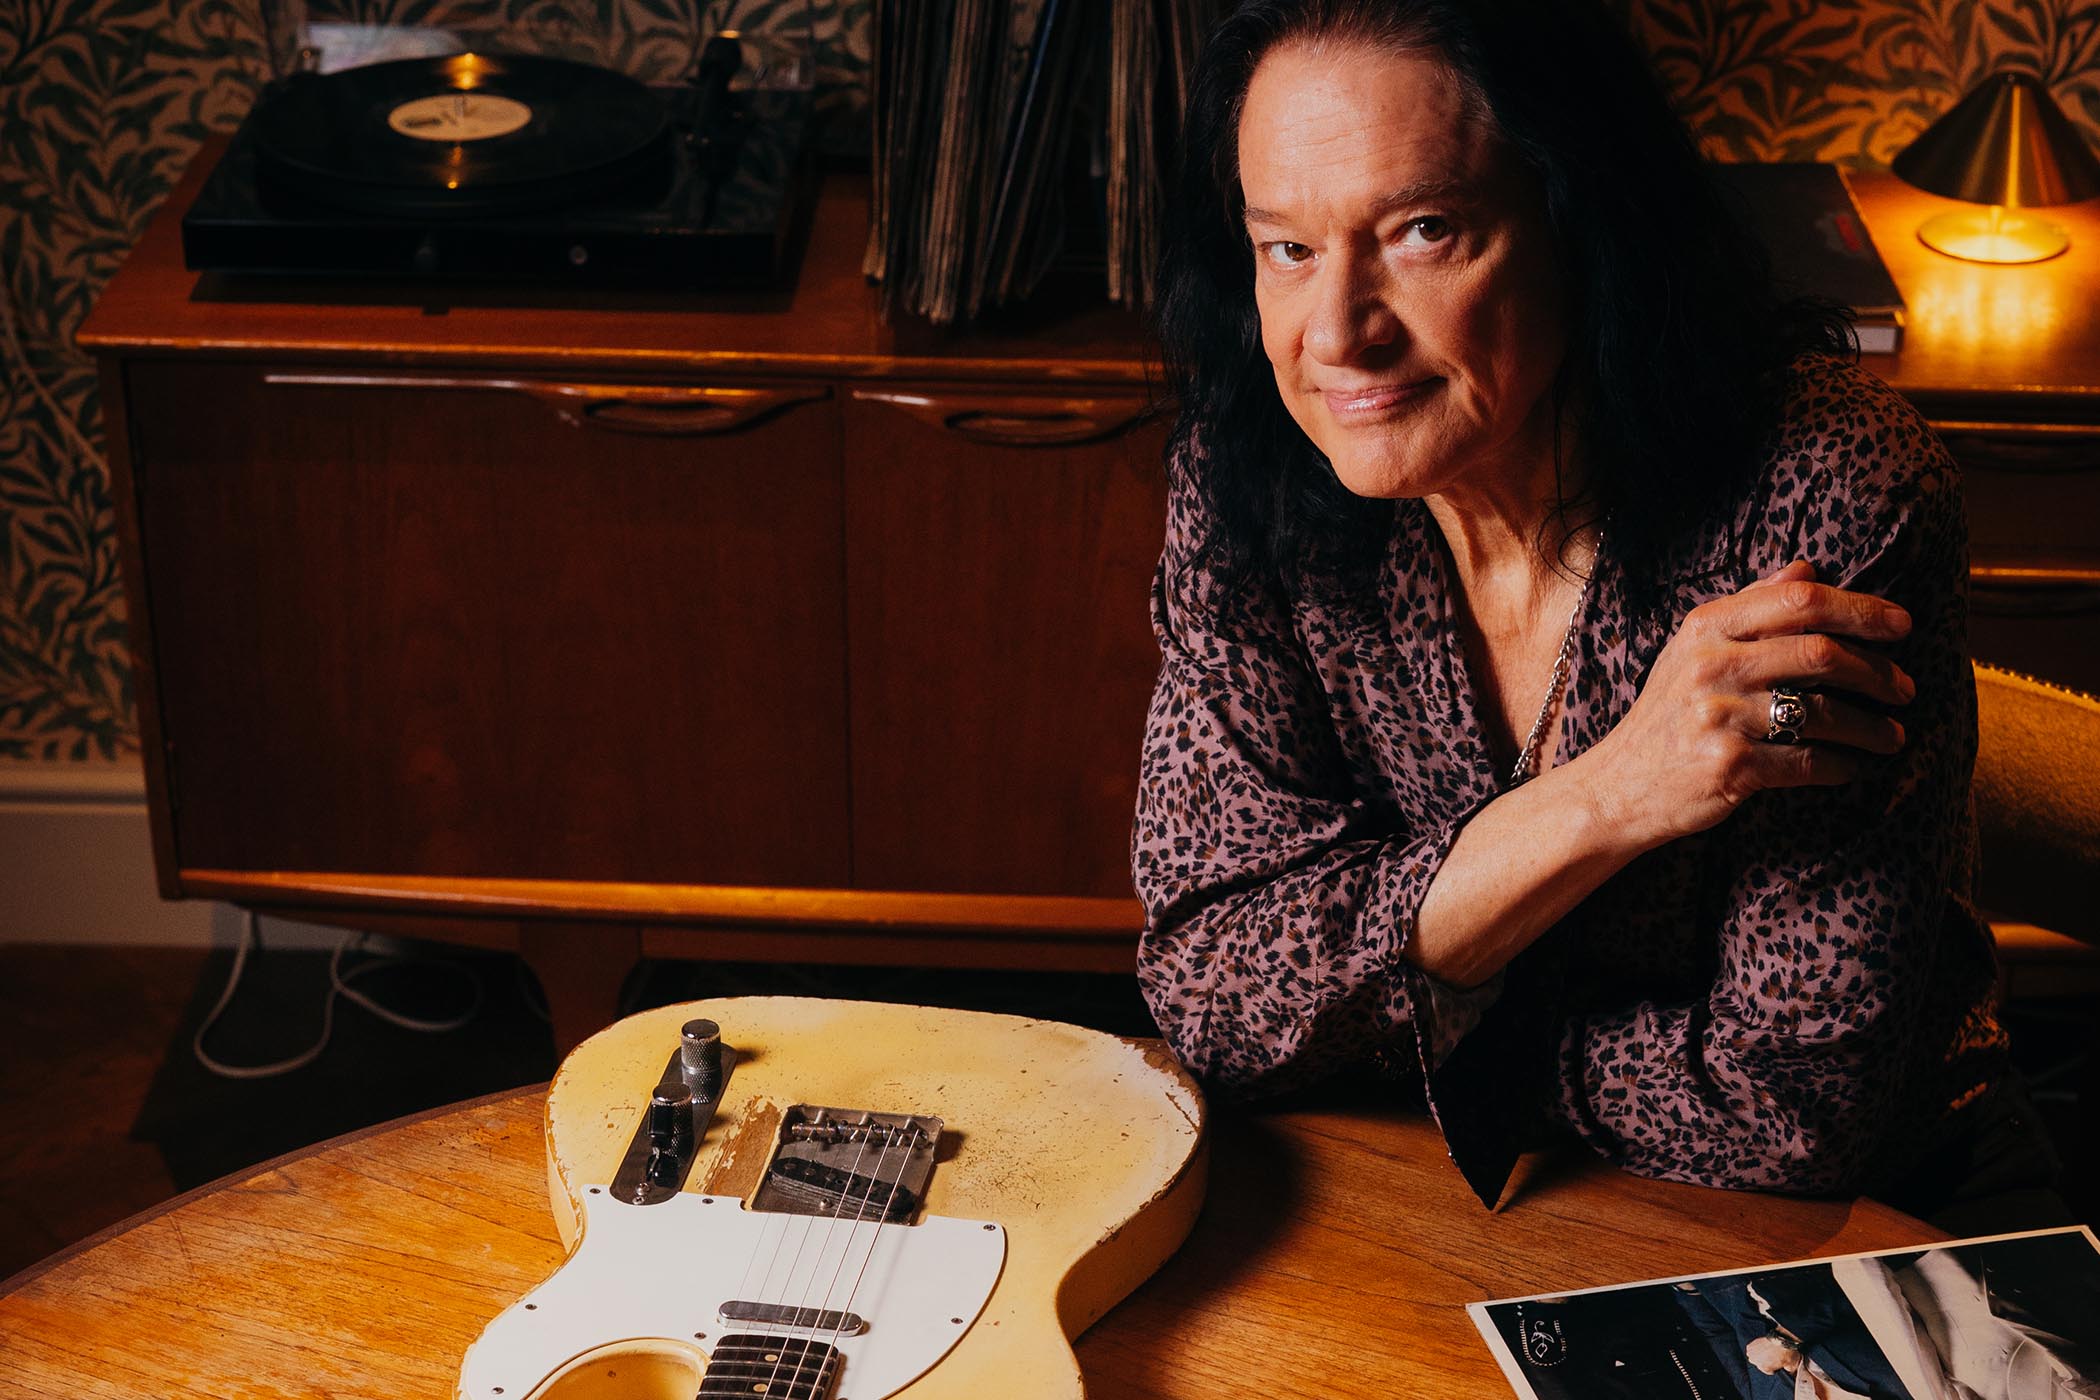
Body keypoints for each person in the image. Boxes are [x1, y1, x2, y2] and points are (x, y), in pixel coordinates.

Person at [1133, 0, 2055, 1217]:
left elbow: (1798, 1108)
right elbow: (1206, 980)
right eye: (1288, 249)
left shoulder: (1819, 492)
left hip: (1873, 1220)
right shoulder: (1247, 471)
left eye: (1423, 232)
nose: (1339, 335)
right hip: (1467, 1194)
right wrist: (1611, 793)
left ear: (1579, 218)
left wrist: (1416, 1024)